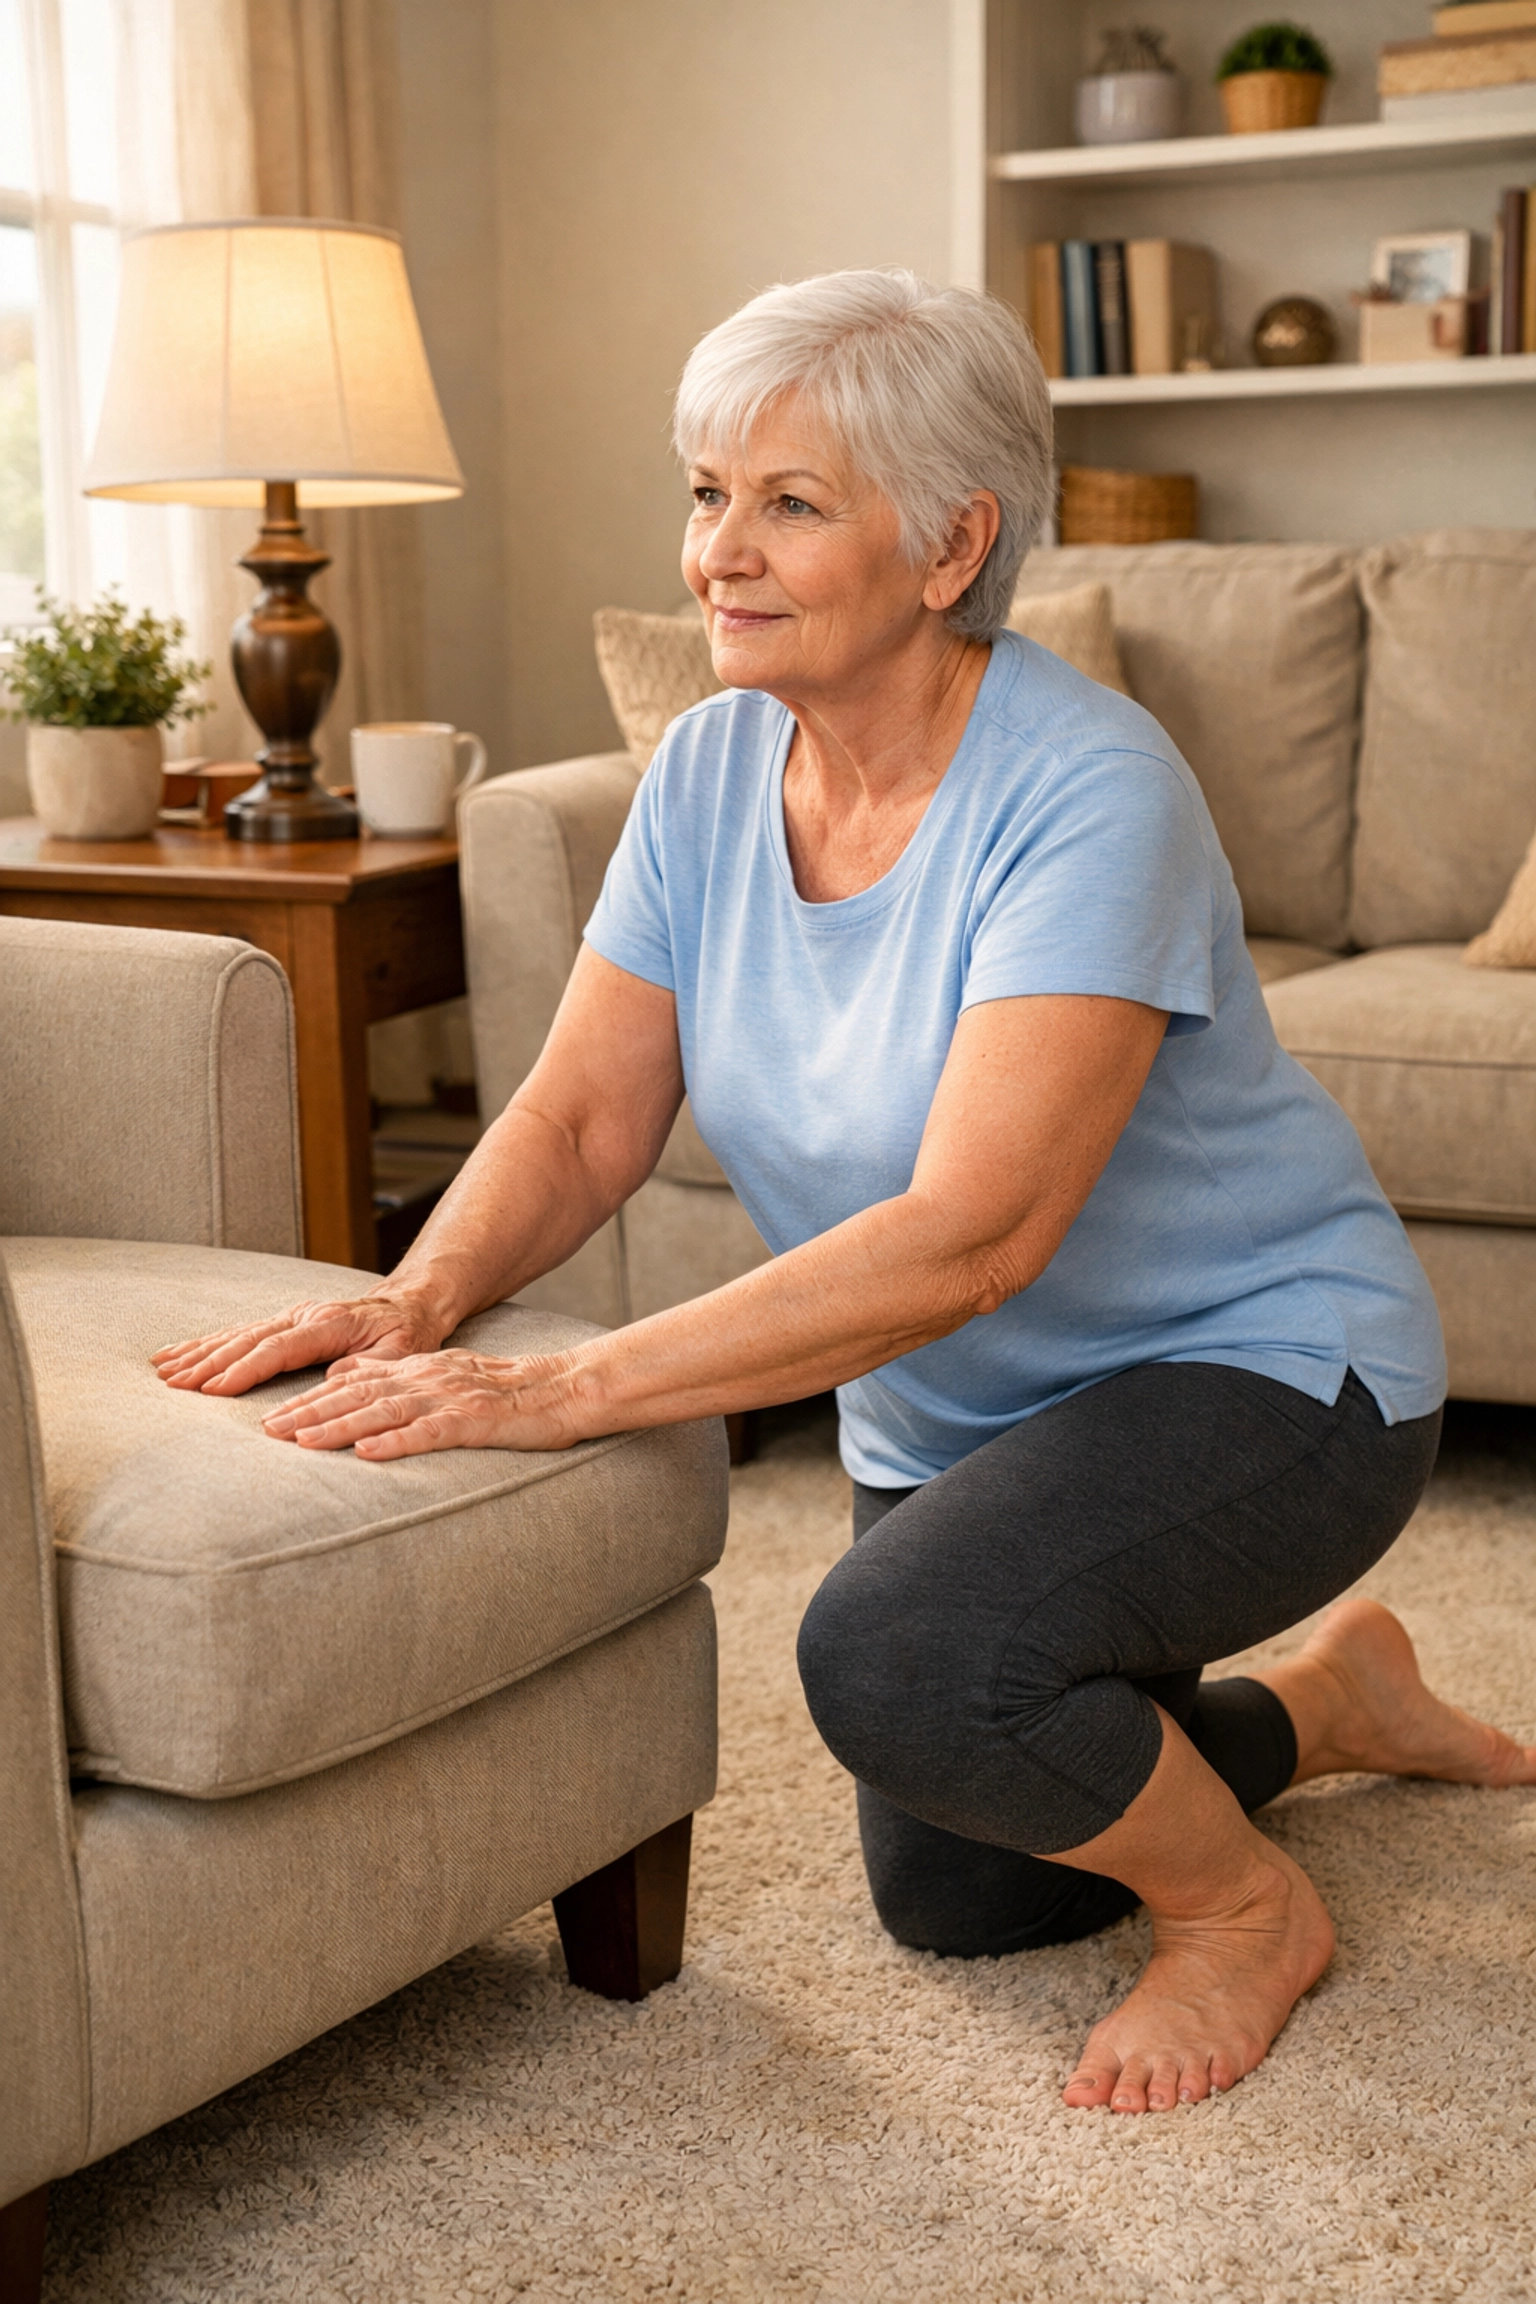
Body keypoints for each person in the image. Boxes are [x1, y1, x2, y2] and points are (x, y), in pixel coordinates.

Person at [153, 269, 1536, 2116]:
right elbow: (578, 1119)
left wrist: (566, 1383)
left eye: (789, 503)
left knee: (899, 1651)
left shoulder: (1089, 790)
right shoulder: (714, 767)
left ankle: (1242, 1913)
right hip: (962, 1405)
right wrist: (418, 1300)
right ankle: (1328, 1704)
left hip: (1270, 1376)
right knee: (967, 1888)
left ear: (954, 541)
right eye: (709, 493)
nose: (718, 549)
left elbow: (975, 1237)